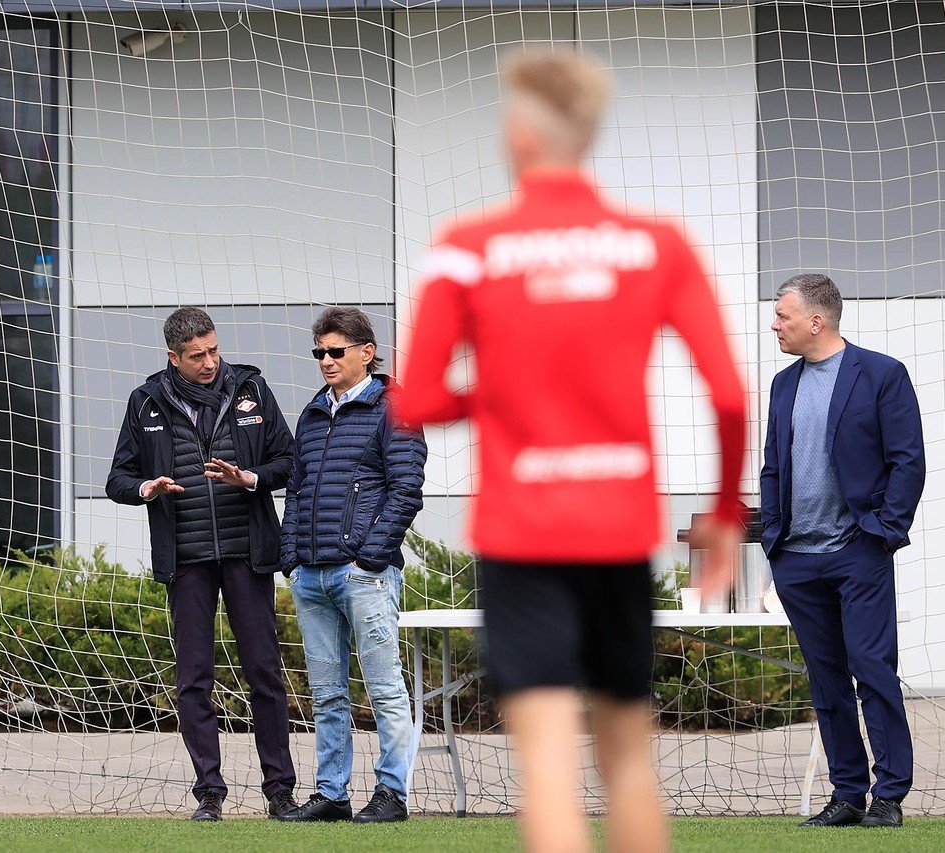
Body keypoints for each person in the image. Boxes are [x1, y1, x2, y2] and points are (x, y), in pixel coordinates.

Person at [395, 51, 747, 853]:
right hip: (617, 527)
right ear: (588, 135)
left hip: (523, 532)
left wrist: (494, 390)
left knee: (549, 766)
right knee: (627, 760)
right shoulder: (658, 243)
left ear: (520, 135)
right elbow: (730, 393)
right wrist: (726, 513)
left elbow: (412, 403)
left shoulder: (466, 247)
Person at [105, 307, 300, 822]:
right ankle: (209, 793)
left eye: (214, 350)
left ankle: (280, 791)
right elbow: (117, 479)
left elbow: (289, 461)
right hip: (186, 560)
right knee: (193, 680)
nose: (210, 362)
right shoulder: (145, 400)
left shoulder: (252, 389)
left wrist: (249, 478)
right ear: (174, 357)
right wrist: (147, 487)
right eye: (197, 356)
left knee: (264, 673)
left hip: (248, 554)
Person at [760, 273, 924, 829]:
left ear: (815, 321)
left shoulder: (881, 374)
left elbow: (908, 461)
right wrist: (773, 536)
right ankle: (848, 795)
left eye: (782, 316)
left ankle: (889, 796)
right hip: (796, 558)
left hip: (859, 552)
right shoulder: (783, 385)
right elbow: (773, 466)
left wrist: (884, 532)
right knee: (826, 681)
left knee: (872, 670)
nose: (774, 325)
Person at [278, 306, 427, 824]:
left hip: (365, 575)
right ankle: (332, 793)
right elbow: (296, 490)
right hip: (310, 575)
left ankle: (392, 794)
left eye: (335, 351)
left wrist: (370, 558)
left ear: (367, 353)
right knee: (326, 695)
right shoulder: (312, 413)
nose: (325, 360)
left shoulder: (396, 408)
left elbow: (406, 490)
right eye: (319, 352)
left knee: (385, 689)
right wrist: (292, 559)